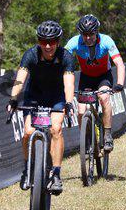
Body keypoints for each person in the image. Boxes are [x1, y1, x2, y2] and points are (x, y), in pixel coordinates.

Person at [6, 20, 75, 194]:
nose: (48, 46)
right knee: (28, 132)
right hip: (34, 96)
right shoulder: (30, 55)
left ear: (58, 42)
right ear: (38, 41)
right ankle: (27, 168)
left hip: (56, 96)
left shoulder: (66, 57)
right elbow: (20, 79)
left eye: (52, 41)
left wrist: (68, 103)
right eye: (43, 41)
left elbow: (68, 83)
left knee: (56, 130)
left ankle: (56, 174)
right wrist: (13, 98)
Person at [65, 14, 125, 152]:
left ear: (96, 32)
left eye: (91, 34)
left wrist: (120, 83)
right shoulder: (74, 42)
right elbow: (61, 60)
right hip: (86, 78)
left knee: (104, 98)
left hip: (104, 76)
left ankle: (108, 135)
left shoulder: (106, 40)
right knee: (81, 111)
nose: (87, 38)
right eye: (84, 35)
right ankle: (87, 140)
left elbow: (119, 63)